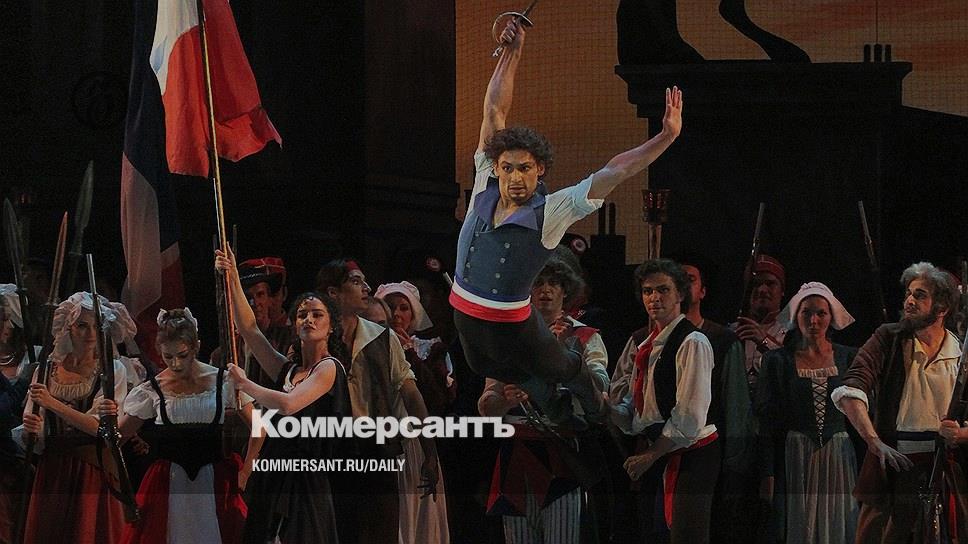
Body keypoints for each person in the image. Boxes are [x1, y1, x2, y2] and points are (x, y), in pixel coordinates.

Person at [451, 19, 682, 425]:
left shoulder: (551, 210)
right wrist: (512, 51)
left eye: (525, 168)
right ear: (497, 166)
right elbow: (494, 109)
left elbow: (615, 171)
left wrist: (664, 138)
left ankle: (596, 403)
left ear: (539, 169)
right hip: (467, 317)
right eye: (508, 168)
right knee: (490, 370)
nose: (515, 177)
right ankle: (551, 400)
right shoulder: (484, 180)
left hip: (515, 325)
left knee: (563, 368)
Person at [217, 248, 352, 543]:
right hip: (274, 474)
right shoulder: (288, 370)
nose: (308, 320)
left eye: (317, 315)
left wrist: (245, 384)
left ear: (331, 326)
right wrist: (232, 278)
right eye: (302, 315)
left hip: (306, 481)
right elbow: (249, 330)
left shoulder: (329, 368)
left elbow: (289, 404)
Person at [479, 253, 608, 544]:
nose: (545, 290)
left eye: (553, 283)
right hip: (515, 454)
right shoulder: (508, 338)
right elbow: (487, 406)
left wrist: (562, 360)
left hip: (562, 450)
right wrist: (507, 400)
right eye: (538, 282)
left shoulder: (585, 337)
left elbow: (599, 393)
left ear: (566, 290)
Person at [832, 262, 966, 542]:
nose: (909, 301)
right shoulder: (889, 338)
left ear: (942, 308)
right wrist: (873, 441)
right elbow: (853, 386)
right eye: (908, 293)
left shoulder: (958, 352)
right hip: (892, 465)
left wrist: (961, 434)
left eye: (920, 295)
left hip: (942, 467)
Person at [97, 308, 250, 544]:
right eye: (168, 357)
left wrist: (246, 470)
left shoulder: (223, 381)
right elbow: (119, 437)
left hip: (215, 479)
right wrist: (107, 419)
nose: (176, 363)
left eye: (182, 355)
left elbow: (260, 427)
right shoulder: (153, 389)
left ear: (196, 347)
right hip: (169, 481)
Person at [315, 258, 440, 544]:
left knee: (380, 532)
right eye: (356, 281)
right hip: (332, 458)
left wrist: (429, 452)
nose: (367, 287)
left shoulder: (383, 339)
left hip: (377, 456)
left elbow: (411, 394)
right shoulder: (317, 338)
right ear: (333, 292)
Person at [609, 259, 718, 543]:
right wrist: (607, 408)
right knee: (653, 532)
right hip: (660, 449)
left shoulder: (692, 341)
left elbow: (689, 417)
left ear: (680, 294)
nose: (654, 298)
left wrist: (651, 454)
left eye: (663, 290)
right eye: (648, 291)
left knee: (685, 535)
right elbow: (639, 411)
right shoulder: (647, 344)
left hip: (690, 453)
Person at [18, 292, 137, 544]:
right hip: (54, 470)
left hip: (93, 467)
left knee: (87, 531)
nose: (90, 333)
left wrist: (52, 403)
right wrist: (32, 429)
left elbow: (100, 427)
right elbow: (33, 423)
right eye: (82, 325)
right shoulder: (46, 370)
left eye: (96, 326)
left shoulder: (112, 370)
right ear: (68, 328)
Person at [756, 282, 860, 544]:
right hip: (795, 454)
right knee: (800, 523)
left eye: (821, 313)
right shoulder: (778, 360)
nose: (814, 321)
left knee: (837, 523)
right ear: (796, 316)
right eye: (807, 313)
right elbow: (766, 420)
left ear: (831, 316)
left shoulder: (849, 357)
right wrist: (768, 472)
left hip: (838, 455)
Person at [374, 281, 452, 543]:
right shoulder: (368, 347)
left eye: (403, 308)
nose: (397, 314)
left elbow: (437, 400)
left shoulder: (431, 349)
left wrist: (409, 354)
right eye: (391, 307)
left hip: (415, 442)